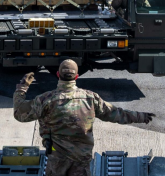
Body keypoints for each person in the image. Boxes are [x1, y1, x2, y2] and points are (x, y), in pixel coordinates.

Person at [13, 60, 156, 176]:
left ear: (58, 74)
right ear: (76, 76)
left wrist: (22, 88)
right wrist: (141, 116)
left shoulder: (44, 100)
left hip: (56, 158)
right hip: (82, 159)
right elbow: (115, 114)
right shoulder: (90, 98)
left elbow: (20, 114)